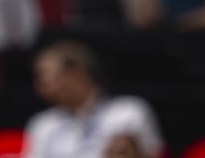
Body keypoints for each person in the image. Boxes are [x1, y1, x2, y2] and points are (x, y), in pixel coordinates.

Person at [23, 40, 162, 158]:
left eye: (44, 76)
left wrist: (135, 153)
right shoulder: (43, 125)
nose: (39, 86)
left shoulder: (129, 112)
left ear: (75, 73)